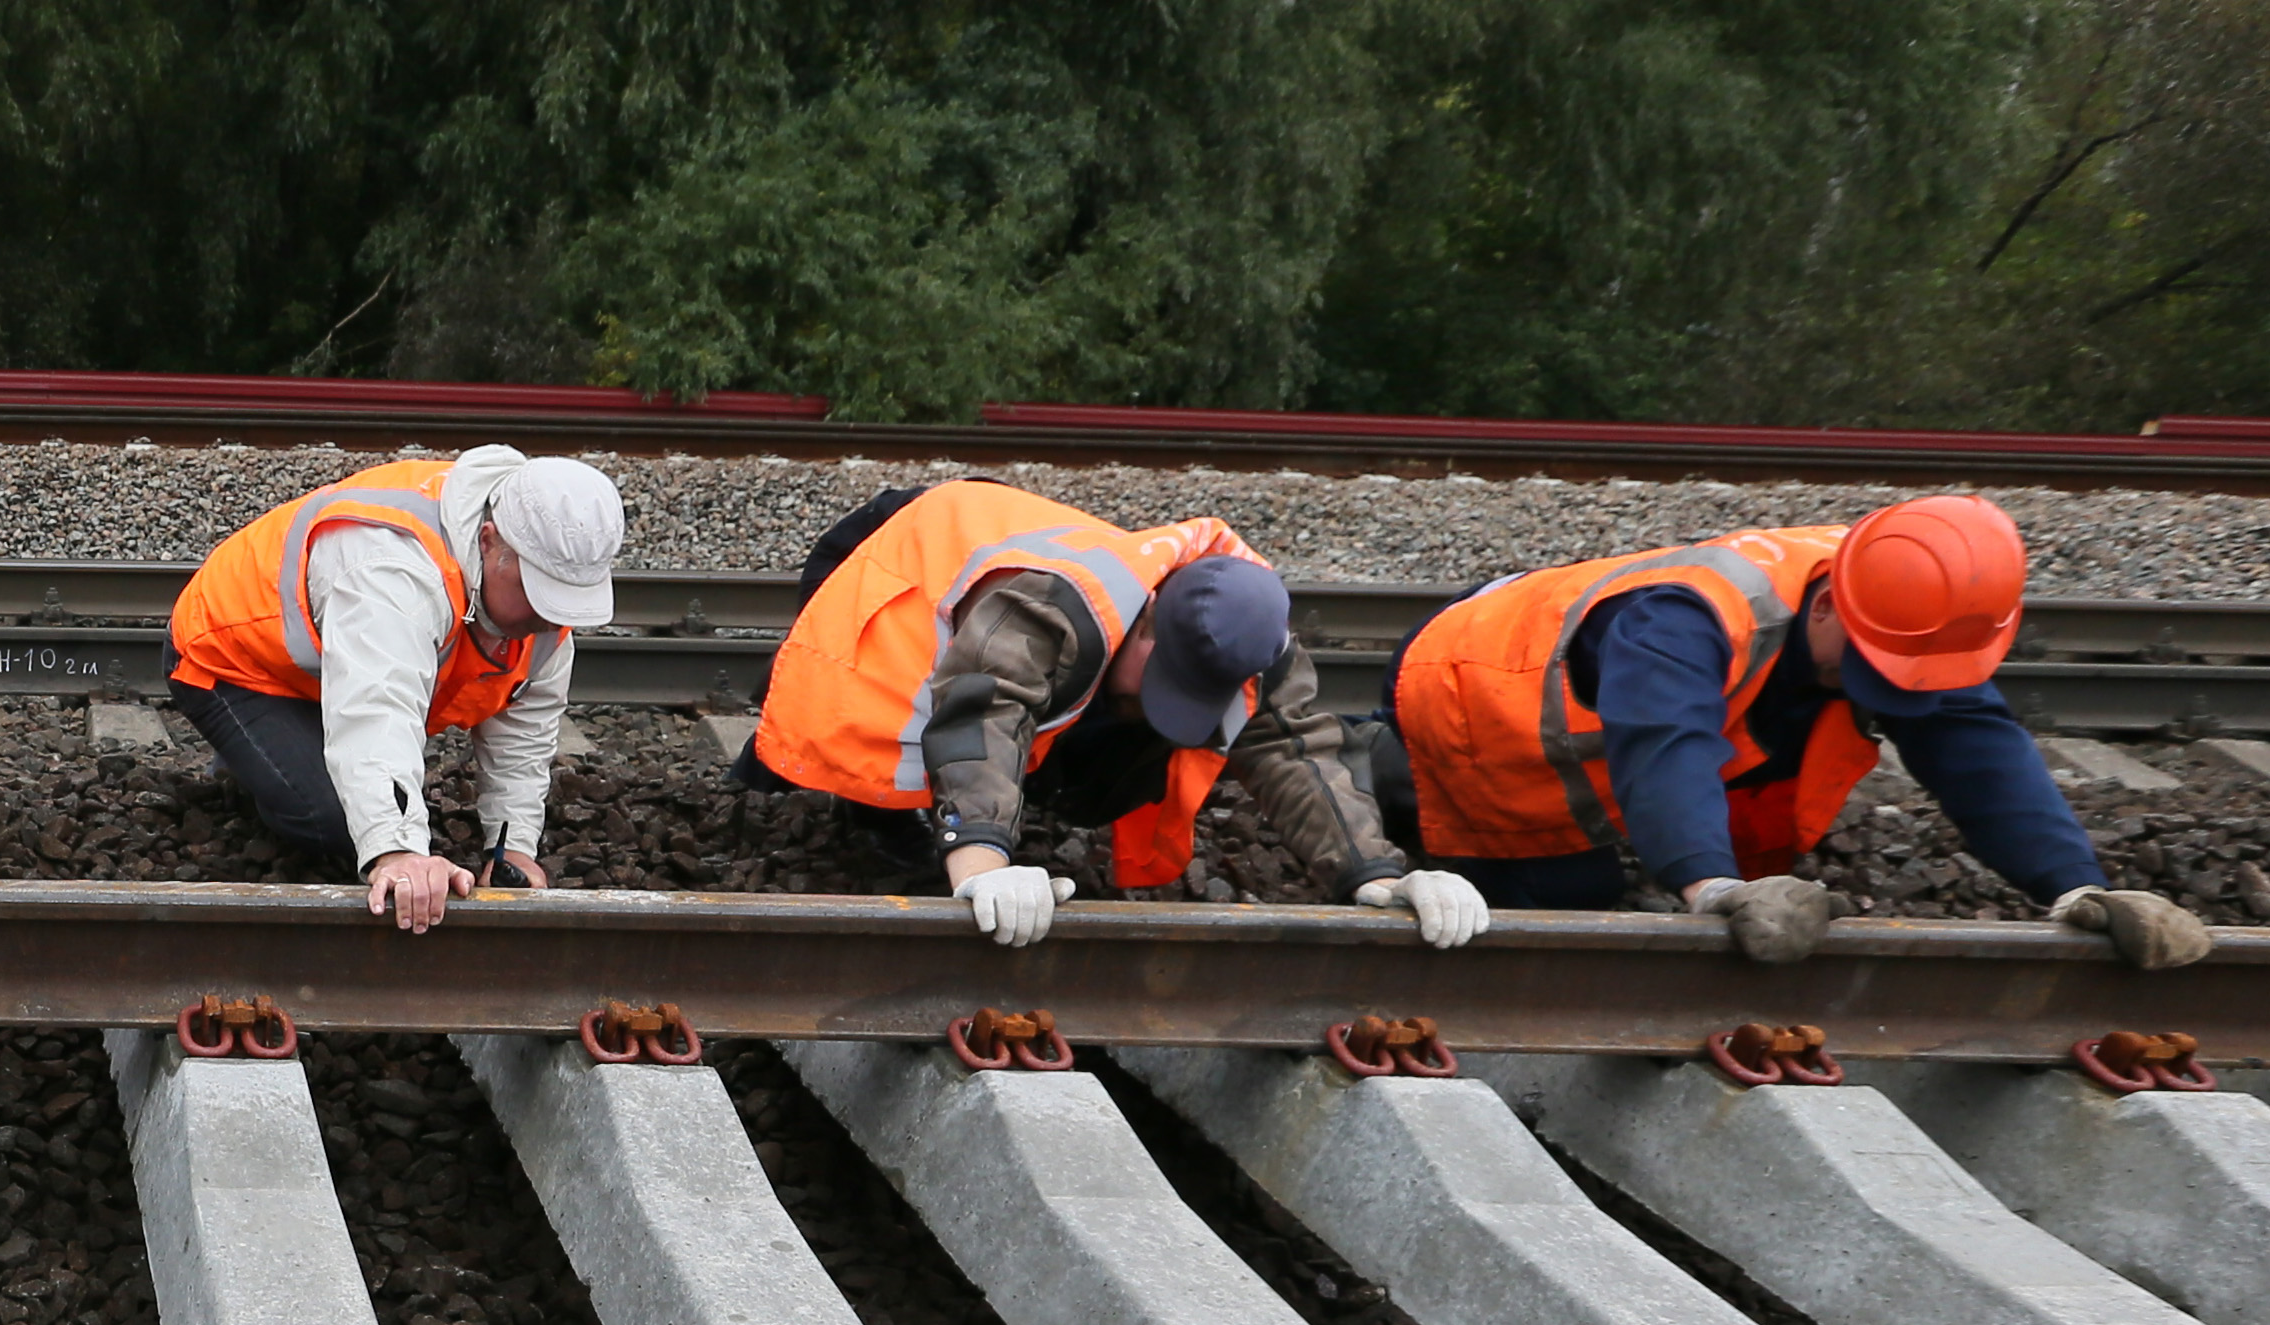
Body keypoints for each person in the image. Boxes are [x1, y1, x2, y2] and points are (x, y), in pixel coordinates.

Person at [1384, 494, 2204, 968]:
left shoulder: (1903, 597)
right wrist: (1712, 888)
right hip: (1469, 694)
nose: (1890, 692)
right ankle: (1384, 783)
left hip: (1598, 705)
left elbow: (1975, 742)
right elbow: (1664, 744)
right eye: (1876, 670)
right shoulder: (1687, 619)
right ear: (1824, 607)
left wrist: (2074, 884)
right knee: (1566, 899)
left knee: (1761, 772)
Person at [745, 478, 1486, 951]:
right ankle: (846, 807)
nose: (1167, 706)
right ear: (1147, 618)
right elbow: (983, 711)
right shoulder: (1055, 605)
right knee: (872, 723)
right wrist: (979, 860)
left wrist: (1378, 875)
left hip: (1018, 621)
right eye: (1164, 679)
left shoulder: (1256, 637)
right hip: (896, 555)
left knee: (1117, 742)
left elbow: (1295, 749)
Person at [165, 447, 616, 935]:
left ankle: (279, 752)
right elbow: (376, 709)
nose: (551, 618)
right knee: (334, 819)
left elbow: (524, 729)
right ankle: (252, 761)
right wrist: (397, 851)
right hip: (236, 659)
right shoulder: (392, 565)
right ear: (488, 541)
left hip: (335, 672)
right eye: (537, 591)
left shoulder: (544, 608)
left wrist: (511, 850)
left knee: (364, 791)